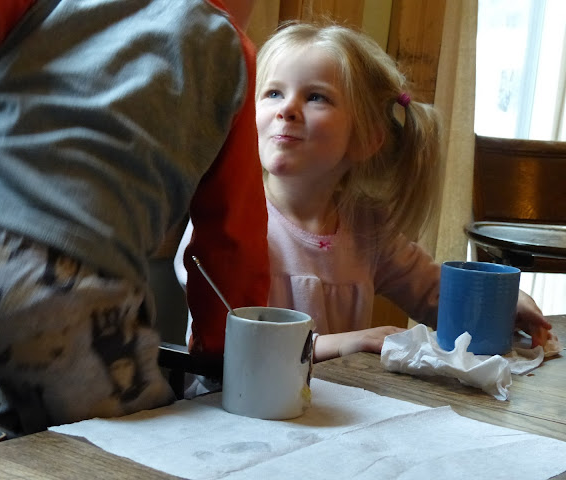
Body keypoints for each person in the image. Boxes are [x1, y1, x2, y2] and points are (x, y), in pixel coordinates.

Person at [0, 0, 269, 435]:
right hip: (52, 289)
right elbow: (232, 241)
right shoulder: (229, 53)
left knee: (32, 429)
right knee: (151, 446)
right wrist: (221, 352)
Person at [176, 20, 553, 366]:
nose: (287, 108)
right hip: (227, 408)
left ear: (366, 140)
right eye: (273, 92)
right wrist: (344, 343)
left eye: (316, 97)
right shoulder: (226, 220)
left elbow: (434, 295)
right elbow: (238, 345)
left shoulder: (367, 228)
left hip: (332, 409)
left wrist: (503, 306)